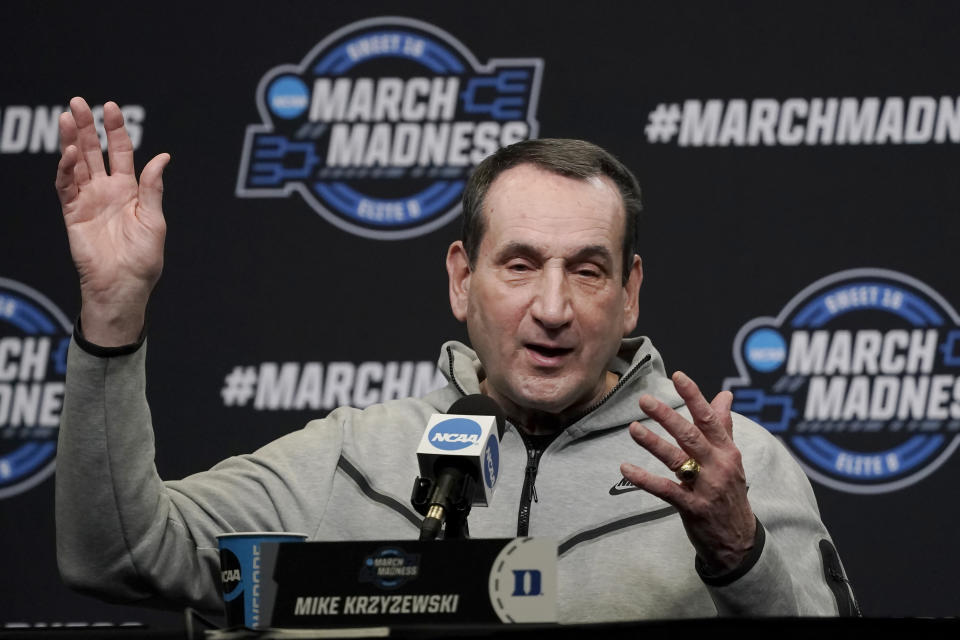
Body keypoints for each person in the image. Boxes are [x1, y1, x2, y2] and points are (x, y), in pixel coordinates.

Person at [54, 97, 857, 622]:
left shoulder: (730, 468)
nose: (552, 306)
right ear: (461, 279)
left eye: (587, 269)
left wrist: (737, 554)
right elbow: (116, 553)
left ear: (629, 293)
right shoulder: (350, 458)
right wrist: (112, 316)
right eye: (518, 264)